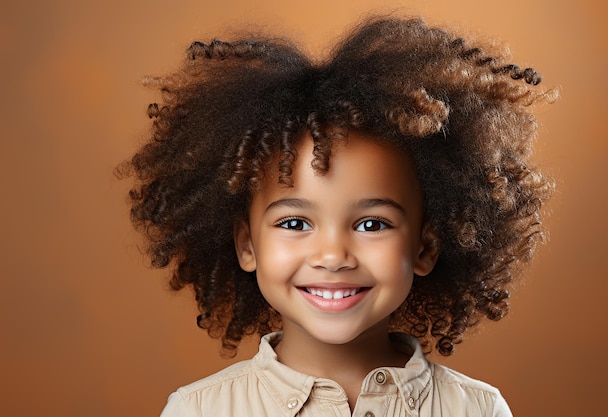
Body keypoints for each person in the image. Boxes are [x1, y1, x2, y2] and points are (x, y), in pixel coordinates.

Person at [120, 15, 556, 417]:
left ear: (425, 247)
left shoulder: (476, 411)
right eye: (294, 223)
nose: (332, 255)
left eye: (372, 224)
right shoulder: (198, 411)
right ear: (247, 245)